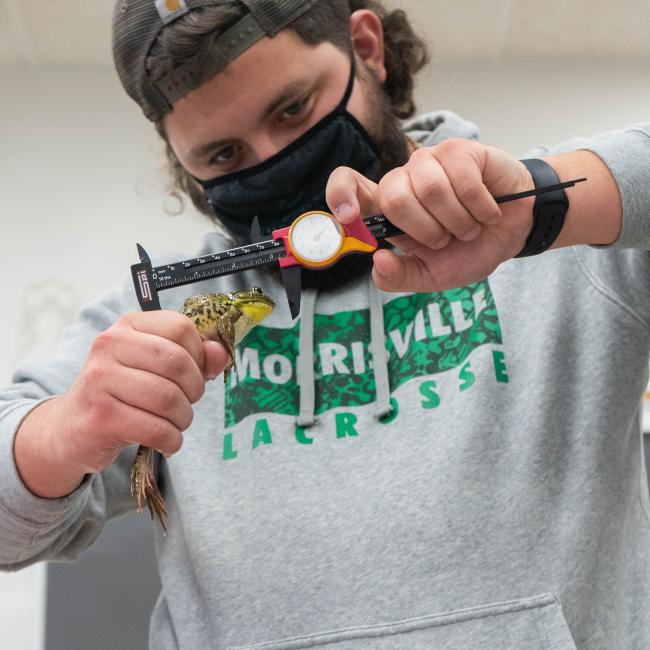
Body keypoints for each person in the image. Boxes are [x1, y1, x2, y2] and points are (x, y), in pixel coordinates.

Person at [1, 1, 649, 648]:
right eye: (224, 154)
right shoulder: (166, 315)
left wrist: (547, 204)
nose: (275, 163)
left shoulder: (549, 232)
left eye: (293, 110)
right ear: (180, 159)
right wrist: (68, 428)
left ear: (366, 47)